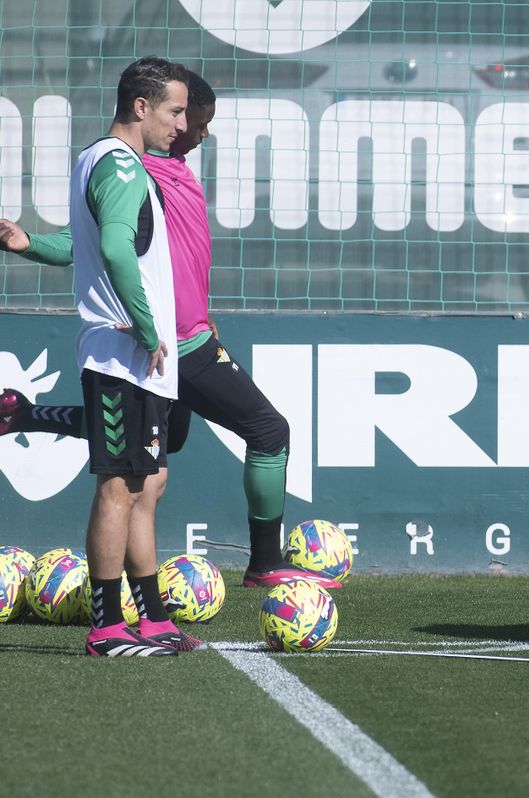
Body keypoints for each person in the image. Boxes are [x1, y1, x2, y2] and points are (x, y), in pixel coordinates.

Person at [0, 70, 337, 593]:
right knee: (269, 432)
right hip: (166, 345)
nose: (198, 133)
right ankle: (265, 563)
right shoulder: (135, 169)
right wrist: (32, 245)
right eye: (190, 121)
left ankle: (28, 415)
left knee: (161, 443)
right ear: (152, 113)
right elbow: (88, 244)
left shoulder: (169, 168)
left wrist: (201, 312)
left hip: (185, 337)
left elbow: (171, 256)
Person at [37, 56, 202, 655]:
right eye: (174, 110)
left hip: (137, 357)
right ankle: (108, 626)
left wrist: (26, 242)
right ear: (141, 106)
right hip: (122, 353)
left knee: (145, 485)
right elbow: (111, 245)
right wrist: (144, 323)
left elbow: (79, 245)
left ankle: (151, 617)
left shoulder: (103, 163)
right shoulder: (122, 164)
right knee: (118, 488)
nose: (181, 125)